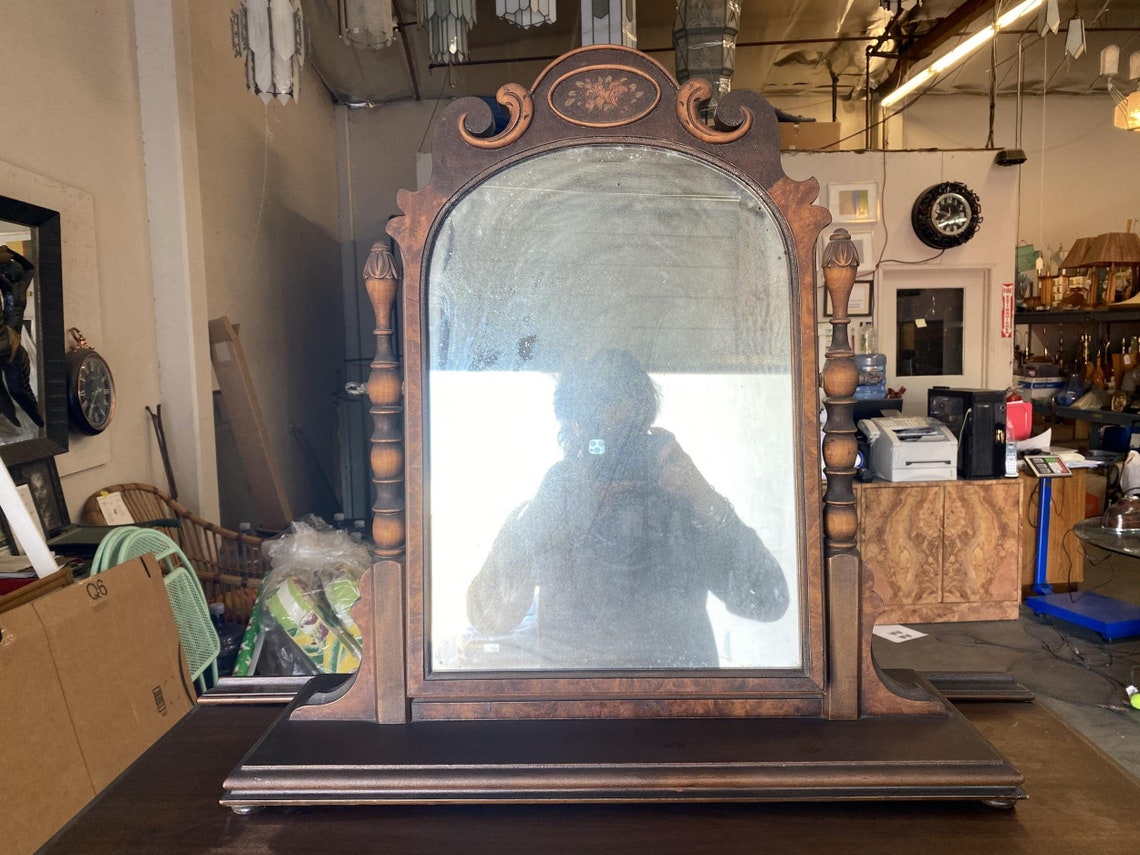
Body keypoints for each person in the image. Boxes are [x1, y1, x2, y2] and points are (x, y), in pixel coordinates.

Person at [466, 349, 790, 669]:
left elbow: (768, 600)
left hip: (680, 698)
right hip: (580, 699)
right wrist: (541, 517)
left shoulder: (677, 501)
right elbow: (489, 618)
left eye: (629, 439)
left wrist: (702, 495)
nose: (615, 458)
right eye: (598, 439)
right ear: (572, 434)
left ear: (648, 433)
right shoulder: (560, 501)